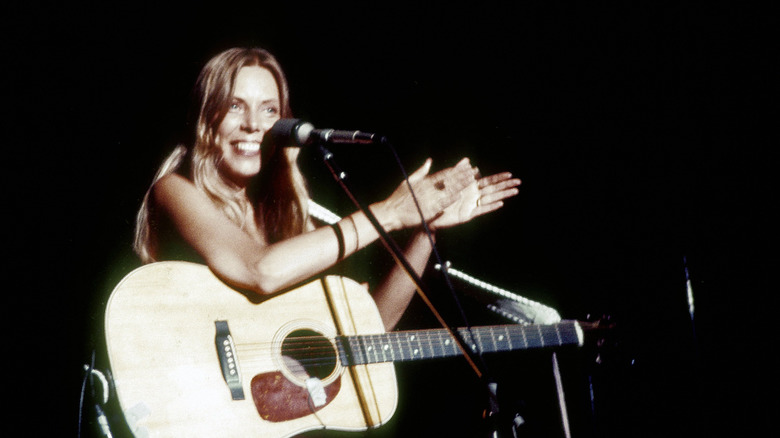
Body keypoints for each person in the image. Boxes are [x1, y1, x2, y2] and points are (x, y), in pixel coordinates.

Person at [133, 47, 521, 331]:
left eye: (269, 110)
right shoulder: (173, 190)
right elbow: (260, 269)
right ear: (206, 118)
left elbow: (372, 327)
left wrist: (424, 228)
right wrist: (388, 212)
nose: (254, 124)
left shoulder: (288, 216)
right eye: (235, 106)